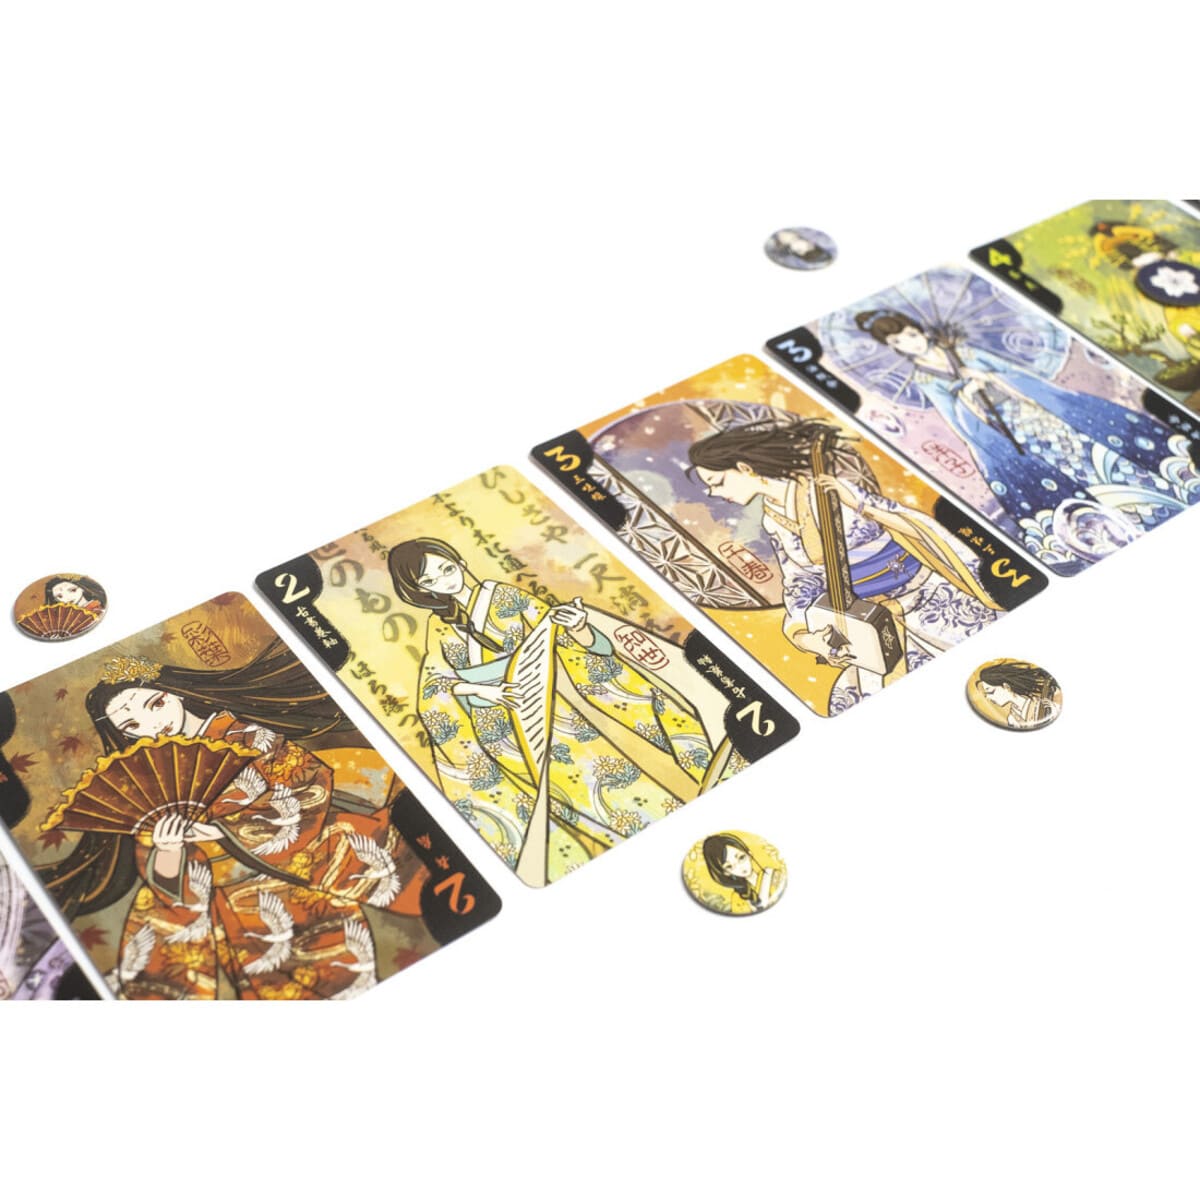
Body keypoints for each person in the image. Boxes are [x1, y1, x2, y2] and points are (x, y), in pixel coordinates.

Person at [40, 640, 429, 1000]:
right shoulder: (149, 785)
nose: (153, 726)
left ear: (174, 693)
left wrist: (221, 830)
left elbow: (305, 784)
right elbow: (169, 886)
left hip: (301, 872)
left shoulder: (248, 738)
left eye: (155, 705)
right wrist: (168, 849)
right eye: (132, 727)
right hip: (241, 908)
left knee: (345, 973)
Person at [388, 537, 737, 882]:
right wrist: (482, 690)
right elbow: (436, 685)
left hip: (554, 706)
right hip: (503, 732)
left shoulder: (505, 597)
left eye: (447, 569)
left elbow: (563, 637)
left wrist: (579, 627)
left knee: (606, 775)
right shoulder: (440, 626)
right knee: (570, 801)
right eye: (430, 580)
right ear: (423, 590)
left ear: (460, 563)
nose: (444, 581)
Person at [687, 419, 1003, 711]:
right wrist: (804, 636)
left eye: (717, 481)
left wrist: (861, 506)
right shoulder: (773, 519)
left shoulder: (826, 489)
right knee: (847, 701)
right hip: (868, 621)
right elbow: (799, 580)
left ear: (744, 468)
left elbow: (908, 522)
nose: (715, 493)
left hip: (928, 600)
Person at [854, 309, 1194, 570]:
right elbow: (959, 423)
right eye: (901, 342)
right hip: (1004, 431)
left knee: (1088, 455)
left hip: (1033, 411)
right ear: (894, 348)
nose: (912, 342)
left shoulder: (964, 352)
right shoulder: (925, 380)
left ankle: (1150, 501)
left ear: (921, 330)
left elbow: (1018, 375)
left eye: (912, 334)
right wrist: (966, 395)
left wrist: (986, 376)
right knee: (1060, 474)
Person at [701, 833, 782, 914]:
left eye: (741, 857)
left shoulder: (774, 875)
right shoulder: (737, 898)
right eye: (729, 866)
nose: (739, 867)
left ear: (749, 854)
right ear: (725, 873)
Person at [974, 661, 1060, 730]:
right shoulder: (1012, 719)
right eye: (986, 695)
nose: (988, 698)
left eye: (991, 692)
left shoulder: (1044, 698)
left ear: (1006, 687)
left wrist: (1054, 709)